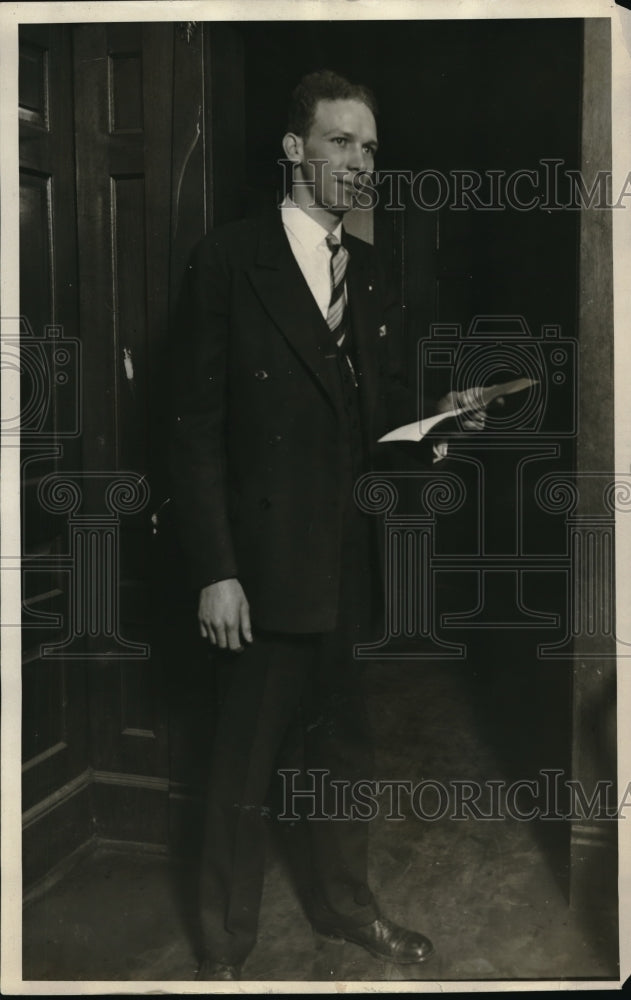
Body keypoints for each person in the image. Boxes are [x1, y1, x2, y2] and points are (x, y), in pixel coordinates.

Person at [169, 69, 482, 981]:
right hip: (258, 574)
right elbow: (190, 431)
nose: (361, 162)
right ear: (294, 152)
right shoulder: (229, 261)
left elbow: (366, 430)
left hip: (347, 566)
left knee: (343, 752)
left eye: (372, 148)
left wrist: (436, 425)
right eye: (342, 142)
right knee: (239, 767)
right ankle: (224, 949)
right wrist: (214, 570)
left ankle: (347, 908)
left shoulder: (372, 276)